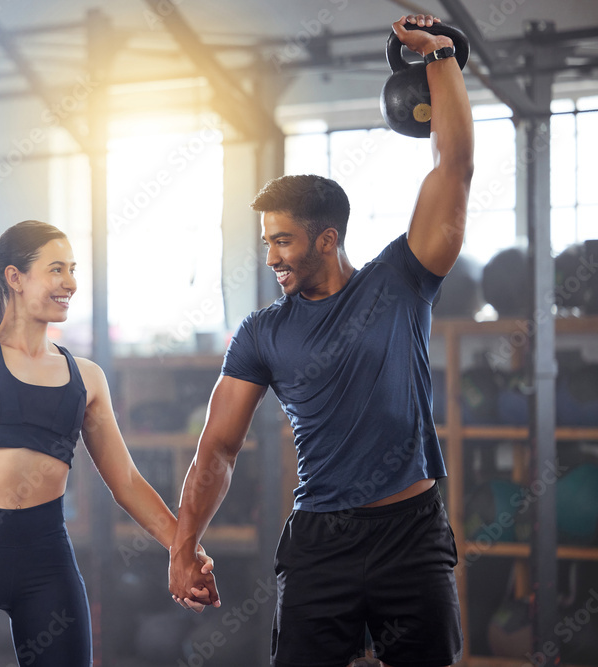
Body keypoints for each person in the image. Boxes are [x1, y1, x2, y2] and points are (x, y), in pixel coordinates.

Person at [168, 14, 473, 667]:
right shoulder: (262, 333)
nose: (271, 254)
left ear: (327, 237)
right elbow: (217, 446)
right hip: (320, 542)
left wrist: (441, 56)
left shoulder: (402, 281)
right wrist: (184, 541)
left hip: (410, 533)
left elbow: (455, 165)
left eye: (282, 240)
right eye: (266, 241)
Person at [0, 95, 214, 667]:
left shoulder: (87, 377)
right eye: (57, 269)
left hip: (45, 557)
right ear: (15, 278)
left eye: (74, 269)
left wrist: (185, 547)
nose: (70, 282)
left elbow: (125, 479)